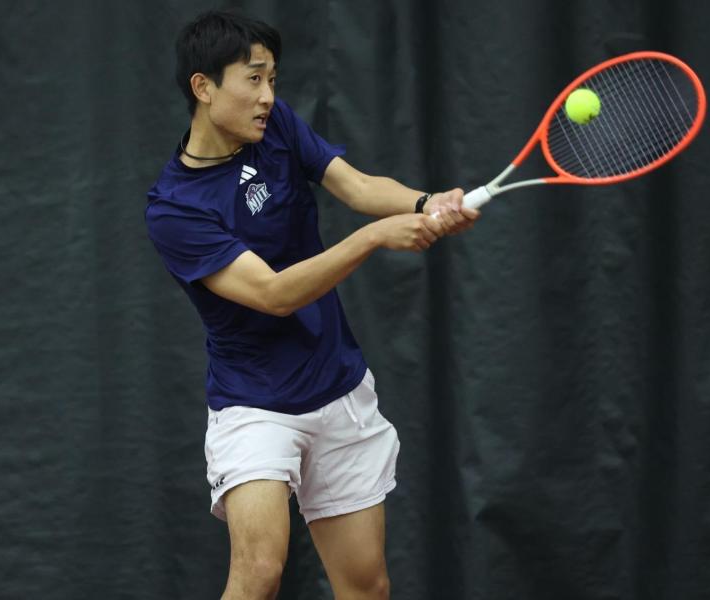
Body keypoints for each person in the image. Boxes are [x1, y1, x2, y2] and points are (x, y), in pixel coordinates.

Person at [146, 10, 479, 599]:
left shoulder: (275, 127)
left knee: (366, 587)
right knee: (259, 573)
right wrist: (374, 237)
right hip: (254, 405)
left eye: (273, 79)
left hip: (335, 385)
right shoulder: (175, 210)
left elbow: (358, 186)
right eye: (253, 79)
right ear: (203, 87)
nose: (267, 96)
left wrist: (427, 202)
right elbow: (274, 294)